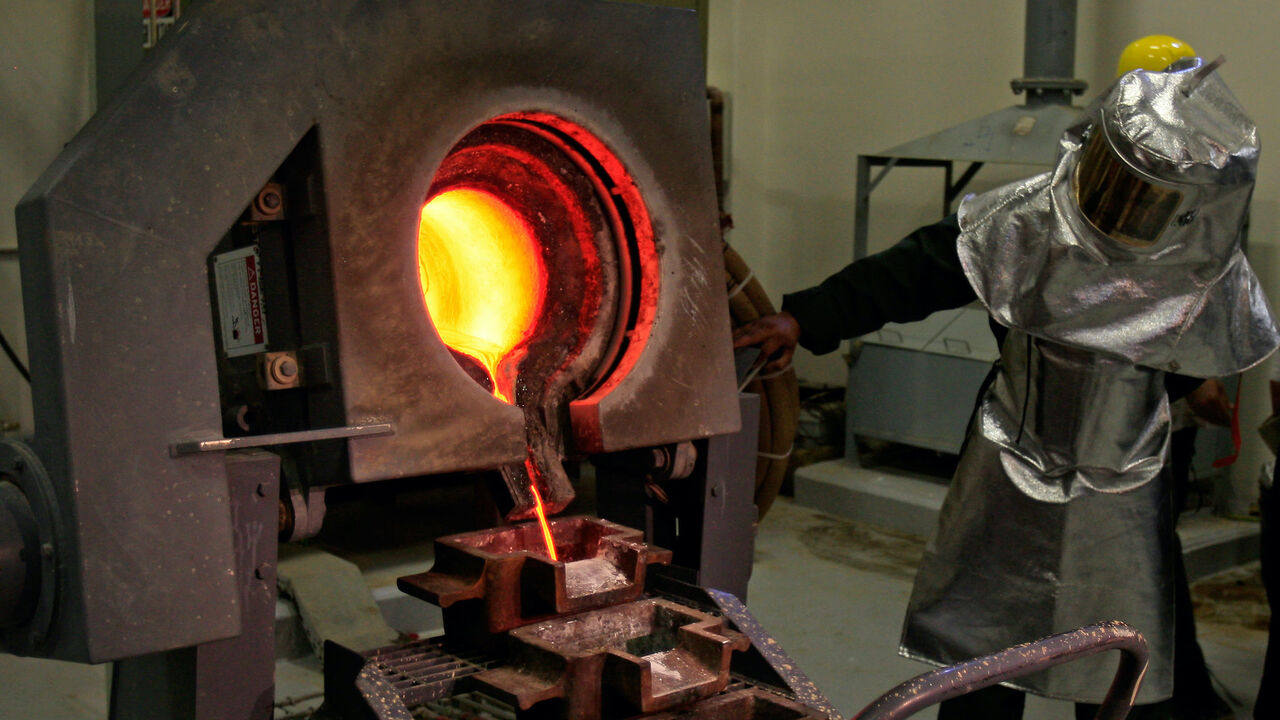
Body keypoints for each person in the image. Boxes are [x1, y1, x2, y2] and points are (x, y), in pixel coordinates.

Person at [735, 55, 1278, 719]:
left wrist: (1195, 386)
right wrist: (804, 318)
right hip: (1010, 462)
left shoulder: (1199, 263)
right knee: (981, 660)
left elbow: (1185, 337)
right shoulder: (1027, 221)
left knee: (1121, 662)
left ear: (1190, 206)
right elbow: (916, 270)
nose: (1127, 206)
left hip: (1127, 484)